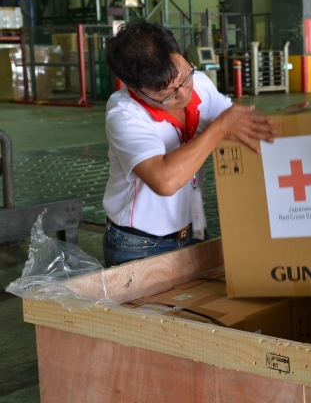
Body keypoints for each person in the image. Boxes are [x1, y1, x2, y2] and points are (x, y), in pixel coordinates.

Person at [102, 20, 276, 267]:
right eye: (167, 92)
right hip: (139, 245)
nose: (183, 93)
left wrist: (286, 119)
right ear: (135, 88)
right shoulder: (124, 114)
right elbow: (164, 180)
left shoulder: (200, 84)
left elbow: (238, 121)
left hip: (194, 228)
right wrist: (218, 129)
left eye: (184, 76)